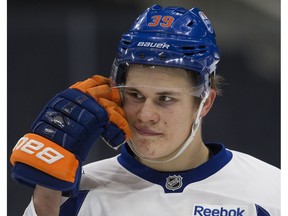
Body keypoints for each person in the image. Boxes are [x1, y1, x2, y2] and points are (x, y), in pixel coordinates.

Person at [10, 4, 280, 216]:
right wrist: (47, 192)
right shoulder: (77, 194)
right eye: (135, 95)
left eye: (165, 99)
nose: (144, 115)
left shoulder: (271, 192)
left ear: (205, 103)